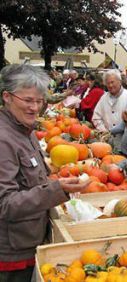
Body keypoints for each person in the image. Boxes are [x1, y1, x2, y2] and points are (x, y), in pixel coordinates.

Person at [0, 64, 90, 281]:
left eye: (39, 101)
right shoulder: (3, 139)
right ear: (7, 97)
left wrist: (57, 181)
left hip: (30, 240)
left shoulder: (25, 130)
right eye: (28, 100)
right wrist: (56, 189)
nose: (34, 107)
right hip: (13, 253)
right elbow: (5, 204)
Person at [92, 69, 127, 153]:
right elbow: (96, 117)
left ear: (120, 81)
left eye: (112, 82)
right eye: (107, 83)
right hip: (107, 144)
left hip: (125, 144)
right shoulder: (103, 98)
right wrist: (103, 130)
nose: (110, 85)